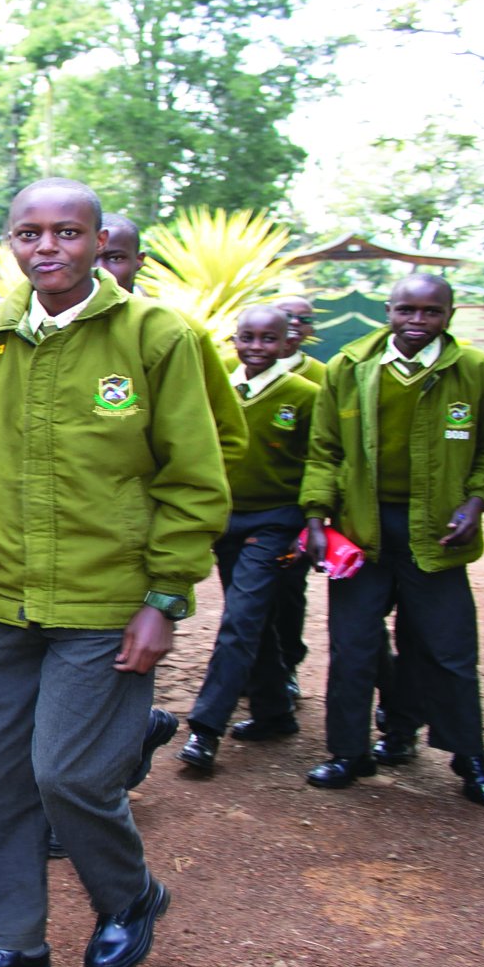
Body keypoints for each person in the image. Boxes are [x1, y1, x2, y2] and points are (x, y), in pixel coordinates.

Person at [0, 179, 227, 967]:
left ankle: (129, 894)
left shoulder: (156, 338)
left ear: (100, 242)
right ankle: (15, 948)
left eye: (67, 232)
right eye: (29, 234)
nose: (47, 248)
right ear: (10, 244)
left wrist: (164, 597)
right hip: (1, 598)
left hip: (105, 606)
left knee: (69, 776)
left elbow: (195, 478)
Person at [299, 274, 484, 804]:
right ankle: (348, 752)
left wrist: (477, 502)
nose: (417, 322)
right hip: (362, 533)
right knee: (353, 648)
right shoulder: (349, 369)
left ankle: (470, 759)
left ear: (451, 314)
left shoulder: (478, 374)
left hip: (436, 536)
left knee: (447, 650)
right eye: (406, 310)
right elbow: (325, 450)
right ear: (389, 310)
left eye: (431, 312)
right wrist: (315, 517)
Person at [93, 212, 247, 780]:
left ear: (136, 262)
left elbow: (222, 442)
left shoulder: (174, 335)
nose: (103, 267)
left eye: (115, 257)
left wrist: (151, 508)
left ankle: (96, 789)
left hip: (133, 550)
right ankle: (139, 733)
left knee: (112, 671)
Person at [176, 305, 320, 773]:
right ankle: (275, 712)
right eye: (247, 338)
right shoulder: (220, 389)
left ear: (287, 342)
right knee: (254, 617)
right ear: (234, 340)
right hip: (226, 519)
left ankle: (206, 730)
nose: (256, 348)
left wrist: (312, 523)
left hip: (275, 524)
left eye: (268, 339)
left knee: (240, 619)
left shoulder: (304, 394)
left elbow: (321, 461)